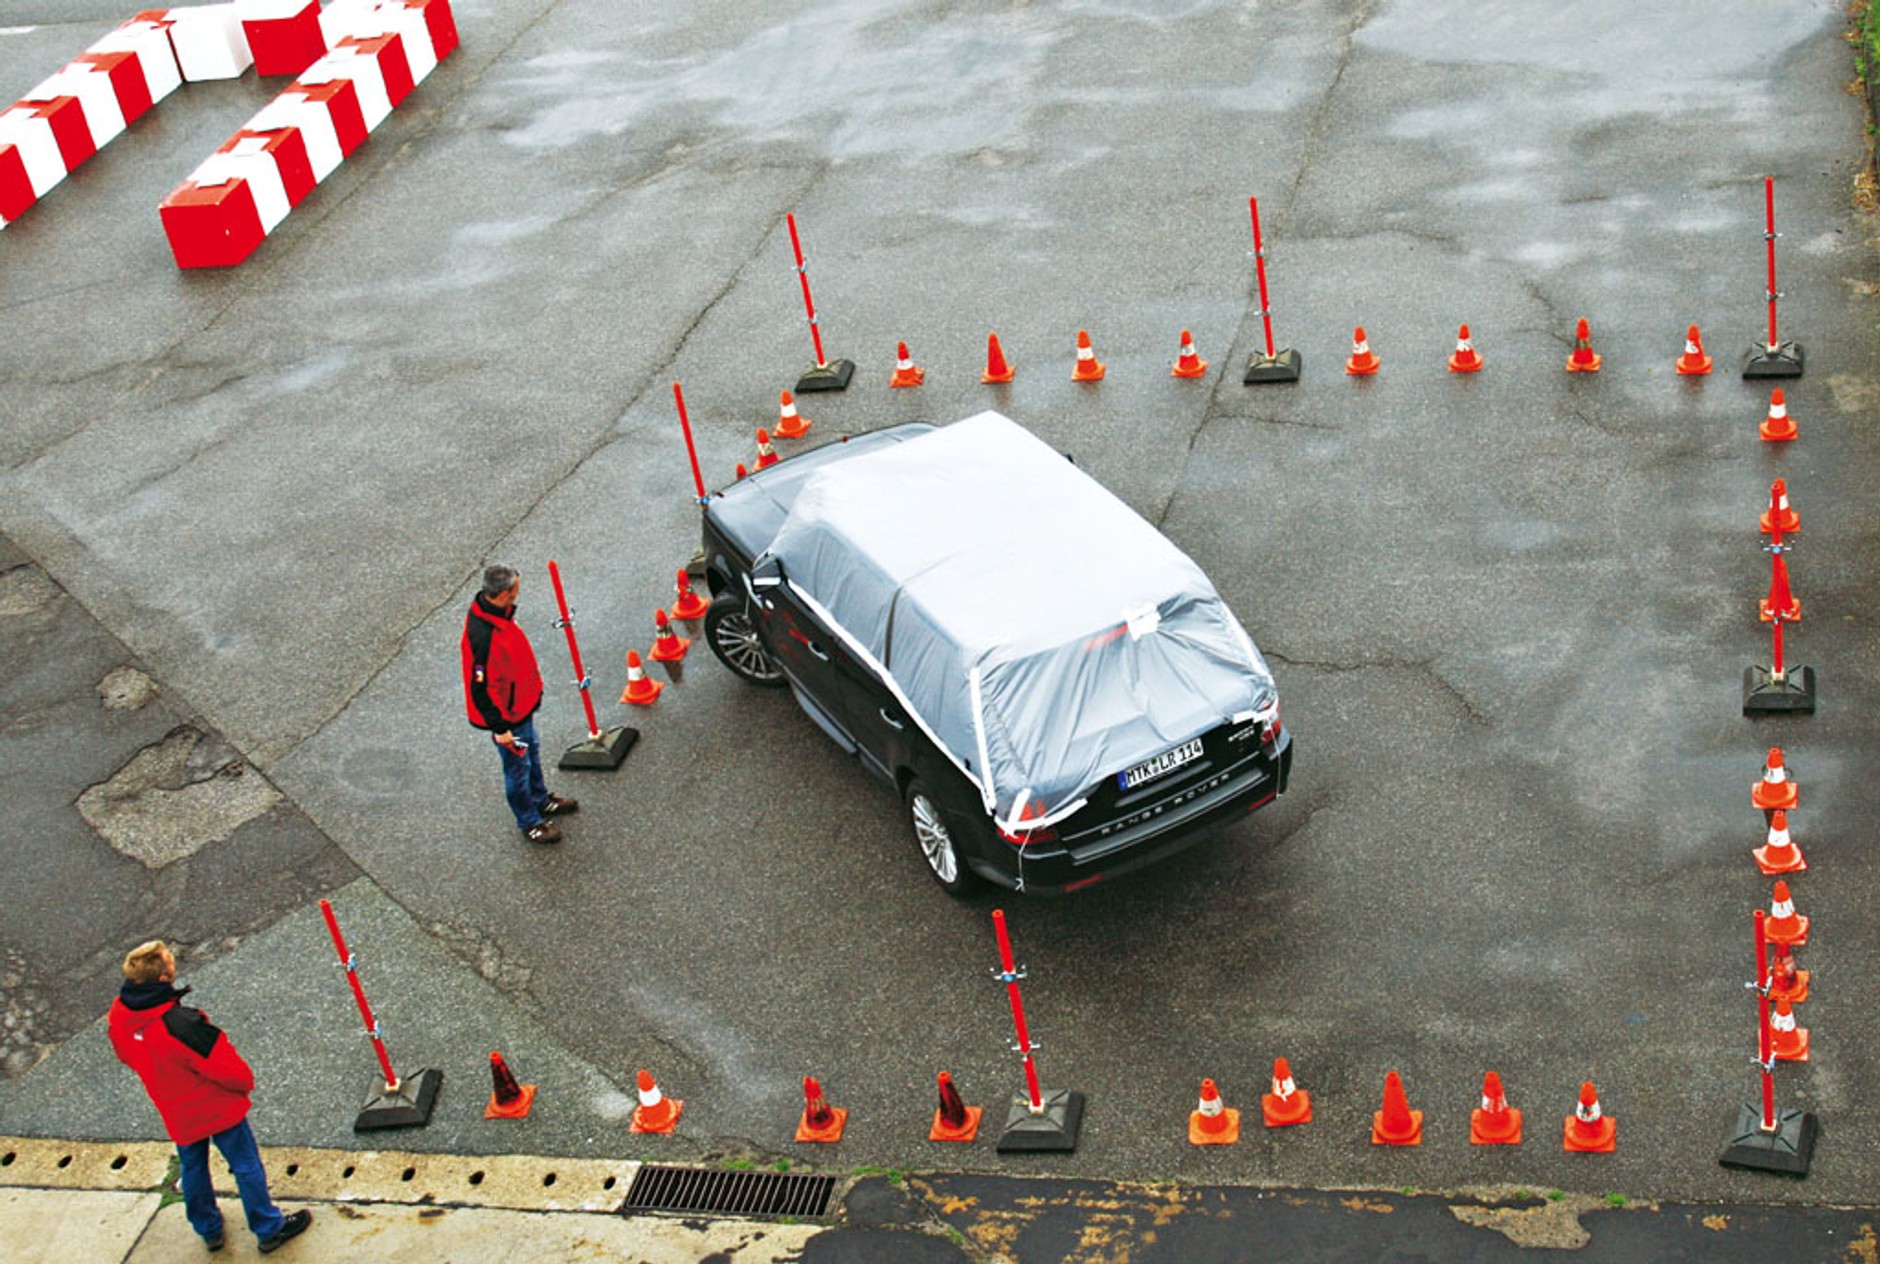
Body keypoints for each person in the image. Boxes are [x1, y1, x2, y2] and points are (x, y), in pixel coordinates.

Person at [107, 940, 312, 1255]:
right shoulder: (181, 1024)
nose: (173, 961)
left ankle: (209, 1229)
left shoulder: (120, 1016)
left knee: (193, 1167)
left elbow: (125, 1055)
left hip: (175, 1110)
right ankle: (268, 1227)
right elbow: (225, 1066)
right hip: (216, 1107)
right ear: (163, 979)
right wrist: (245, 1085)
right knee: (245, 1164)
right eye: (169, 960)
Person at [461, 563, 579, 843]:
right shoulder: (485, 635)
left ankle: (540, 799)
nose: (518, 593)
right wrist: (501, 728)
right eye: (515, 589)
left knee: (531, 754)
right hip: (509, 718)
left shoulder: (497, 614)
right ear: (503, 594)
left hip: (520, 709)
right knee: (517, 770)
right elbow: (481, 689)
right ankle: (529, 821)